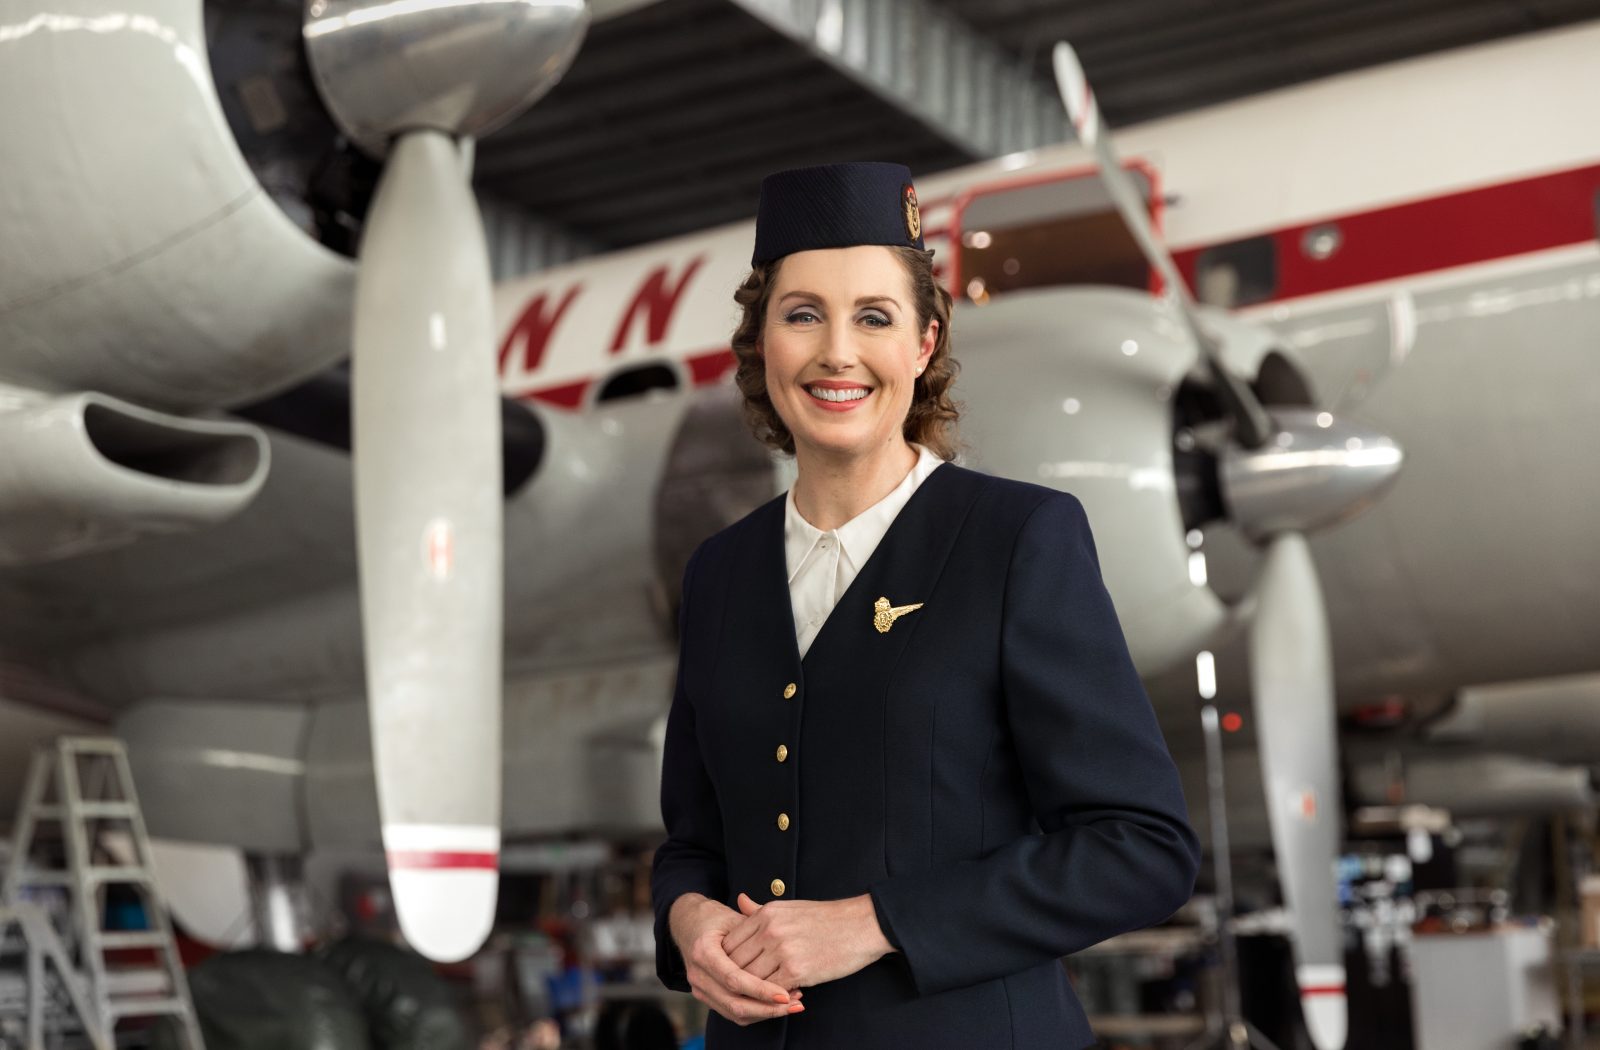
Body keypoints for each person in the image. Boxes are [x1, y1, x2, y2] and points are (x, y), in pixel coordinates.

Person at [649, 161, 1200, 1049]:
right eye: (802, 316)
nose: (837, 351)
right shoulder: (719, 570)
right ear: (759, 349)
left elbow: (1140, 848)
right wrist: (687, 923)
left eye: (874, 316)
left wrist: (874, 922)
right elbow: (693, 843)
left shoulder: (1019, 539)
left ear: (923, 343)